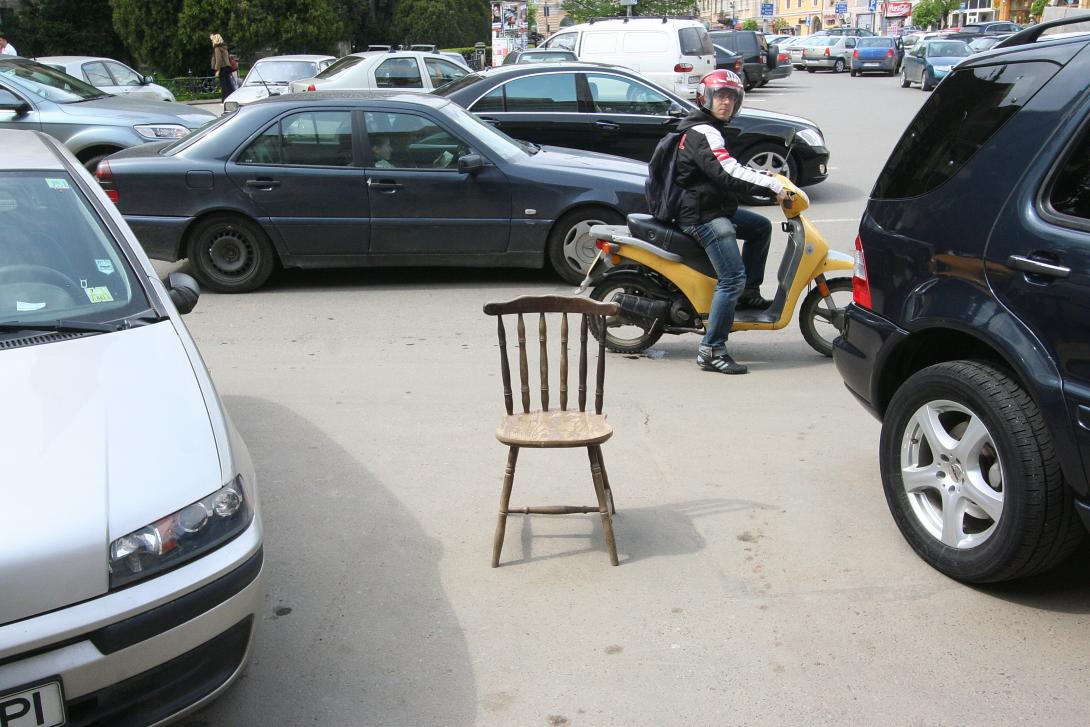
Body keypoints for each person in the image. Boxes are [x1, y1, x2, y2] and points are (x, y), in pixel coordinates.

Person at [674, 69, 787, 375]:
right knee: (731, 277)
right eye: (719, 96)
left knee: (760, 228)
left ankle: (748, 293)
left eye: (729, 97)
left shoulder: (710, 127)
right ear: (705, 99)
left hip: (712, 206)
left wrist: (766, 176)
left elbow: (730, 167)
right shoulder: (704, 132)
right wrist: (772, 186)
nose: (724, 103)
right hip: (701, 215)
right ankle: (711, 349)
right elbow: (727, 172)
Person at [209, 33, 233, 103]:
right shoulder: (224, 47)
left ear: (215, 40)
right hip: (227, 67)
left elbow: (219, 60)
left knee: (223, 85)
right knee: (228, 84)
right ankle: (231, 98)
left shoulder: (217, 48)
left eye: (213, 40)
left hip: (222, 68)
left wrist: (217, 70)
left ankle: (225, 100)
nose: (212, 41)